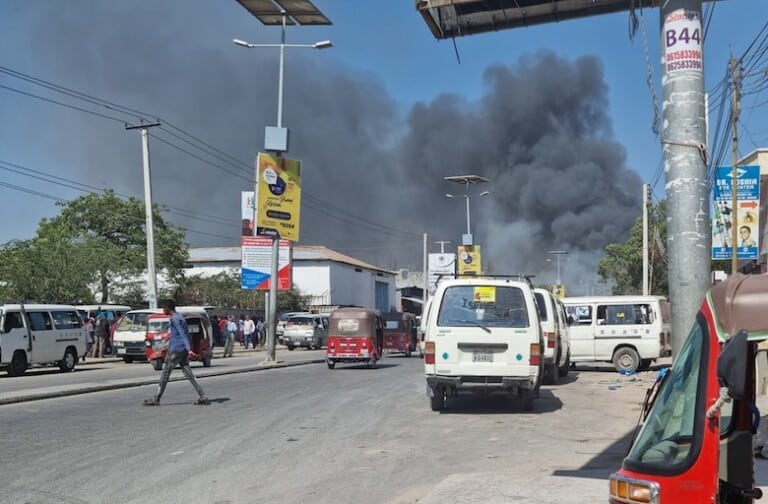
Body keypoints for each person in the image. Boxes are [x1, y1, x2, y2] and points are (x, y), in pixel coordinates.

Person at [144, 299, 208, 406]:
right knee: (188, 373)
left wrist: (189, 349)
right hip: (181, 349)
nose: (163, 310)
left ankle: (157, 398)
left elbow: (182, 334)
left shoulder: (175, 319)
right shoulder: (180, 317)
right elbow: (180, 334)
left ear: (168, 308)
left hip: (176, 350)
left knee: (165, 374)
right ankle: (202, 395)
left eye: (164, 308)